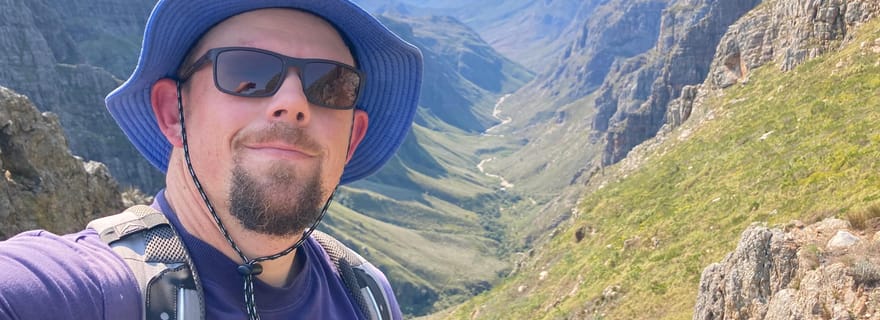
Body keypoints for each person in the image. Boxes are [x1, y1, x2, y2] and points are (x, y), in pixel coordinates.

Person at [0, 0, 422, 319]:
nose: (293, 103)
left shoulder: (368, 296)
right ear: (173, 113)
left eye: (331, 86)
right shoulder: (83, 290)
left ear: (352, 139)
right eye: (247, 72)